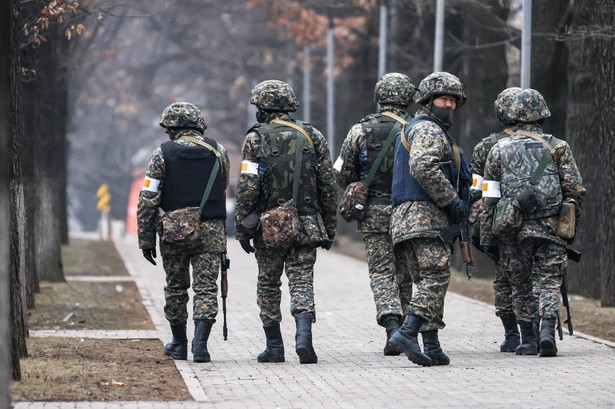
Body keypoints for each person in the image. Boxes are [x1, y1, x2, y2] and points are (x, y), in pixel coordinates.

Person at [234, 80, 337, 364]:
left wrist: (243, 225)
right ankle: (304, 338)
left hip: (270, 225)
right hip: (307, 223)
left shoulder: (255, 139)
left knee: (268, 283)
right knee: (302, 280)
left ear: (264, 107)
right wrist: (329, 228)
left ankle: (275, 347)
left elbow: (247, 185)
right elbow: (327, 186)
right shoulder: (313, 135)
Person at [481, 88, 586, 357]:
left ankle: (528, 340)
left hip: (514, 230)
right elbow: (574, 188)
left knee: (521, 284)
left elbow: (489, 196)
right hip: (551, 227)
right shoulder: (558, 146)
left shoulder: (497, 149)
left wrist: (491, 229)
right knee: (550, 280)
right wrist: (570, 219)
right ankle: (547, 331)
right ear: (542, 113)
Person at [388, 72, 472, 367]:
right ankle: (407, 332)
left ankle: (432, 345)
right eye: (443, 99)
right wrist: (451, 200)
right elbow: (423, 166)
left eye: (452, 101)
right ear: (427, 101)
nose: (448, 105)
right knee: (435, 278)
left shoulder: (419, 128)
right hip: (424, 218)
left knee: (424, 281)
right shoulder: (428, 129)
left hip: (407, 220)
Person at [137, 101, 230, 363]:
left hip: (174, 231)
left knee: (176, 287)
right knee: (206, 289)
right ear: (198, 125)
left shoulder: (161, 154)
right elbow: (222, 185)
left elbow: (148, 198)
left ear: (171, 129)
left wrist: (146, 238)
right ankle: (200, 346)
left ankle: (179, 343)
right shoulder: (218, 151)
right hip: (211, 229)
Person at [333, 72, 415, 356]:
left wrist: (360, 185)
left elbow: (341, 172)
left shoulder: (360, 130)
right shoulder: (418, 129)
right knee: (404, 271)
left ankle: (392, 327)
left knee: (382, 271)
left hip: (374, 211)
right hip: (409, 211)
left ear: (379, 97)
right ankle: (405, 332)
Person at [470, 87, 527, 352]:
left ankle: (512, 334)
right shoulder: (546, 142)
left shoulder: (486, 145)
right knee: (533, 275)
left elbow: (476, 188)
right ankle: (536, 329)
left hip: (498, 221)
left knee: (504, 277)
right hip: (537, 219)